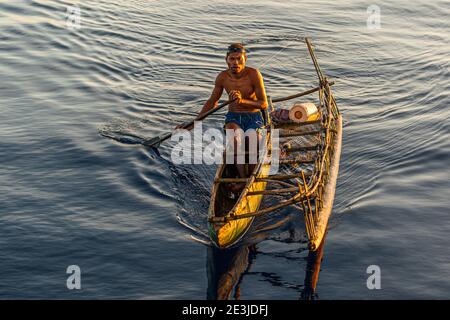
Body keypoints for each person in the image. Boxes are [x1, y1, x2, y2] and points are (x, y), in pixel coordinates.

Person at [179, 43, 268, 189]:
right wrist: (195, 123)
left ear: (245, 59)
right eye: (232, 59)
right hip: (234, 117)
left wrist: (242, 101)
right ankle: (243, 178)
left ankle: (251, 178)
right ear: (226, 60)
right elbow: (212, 102)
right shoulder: (222, 78)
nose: (235, 63)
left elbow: (264, 104)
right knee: (235, 140)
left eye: (239, 59)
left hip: (254, 117)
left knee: (253, 141)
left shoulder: (254, 74)